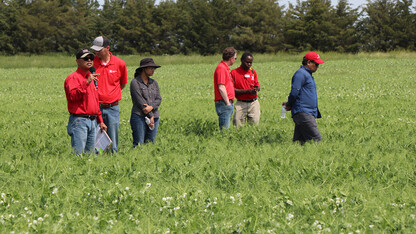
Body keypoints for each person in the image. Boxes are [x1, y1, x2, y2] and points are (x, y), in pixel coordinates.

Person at [65, 49, 107, 154]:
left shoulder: (92, 78)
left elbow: (95, 101)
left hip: (93, 121)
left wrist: (100, 120)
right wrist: (86, 82)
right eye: (85, 58)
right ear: (77, 61)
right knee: (78, 154)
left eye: (91, 58)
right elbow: (72, 97)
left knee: (90, 155)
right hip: (80, 121)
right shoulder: (73, 78)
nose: (89, 61)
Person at [90, 36, 128, 152]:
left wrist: (110, 94)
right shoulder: (91, 64)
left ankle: (113, 159)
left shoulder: (120, 64)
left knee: (112, 140)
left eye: (99, 50)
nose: (96, 52)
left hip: (112, 107)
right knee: (96, 139)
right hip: (95, 107)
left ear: (107, 48)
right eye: (95, 50)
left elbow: (122, 84)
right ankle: (97, 159)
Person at [284, 51, 324, 144]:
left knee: (300, 142)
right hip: (303, 112)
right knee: (316, 139)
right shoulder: (300, 74)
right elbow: (294, 92)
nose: (318, 66)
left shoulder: (307, 74)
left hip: (307, 112)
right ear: (308, 62)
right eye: (316, 64)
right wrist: (289, 105)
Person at [130, 58, 162, 147]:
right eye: (150, 68)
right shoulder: (135, 82)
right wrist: (150, 115)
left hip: (155, 118)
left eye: (153, 68)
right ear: (144, 69)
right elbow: (140, 101)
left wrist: (151, 108)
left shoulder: (154, 83)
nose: (153, 70)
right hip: (139, 116)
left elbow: (158, 99)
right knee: (139, 144)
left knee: (150, 144)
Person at [231, 52, 261, 128]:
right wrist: (247, 91)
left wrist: (257, 88)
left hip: (254, 103)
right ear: (241, 60)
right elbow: (232, 90)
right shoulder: (234, 73)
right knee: (237, 125)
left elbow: (257, 85)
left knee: (254, 127)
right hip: (240, 103)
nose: (249, 64)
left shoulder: (253, 72)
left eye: (251, 62)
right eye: (247, 62)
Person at [214, 47, 237, 130]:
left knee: (226, 128)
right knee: (224, 130)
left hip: (226, 103)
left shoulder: (225, 68)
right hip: (223, 103)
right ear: (231, 59)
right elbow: (221, 87)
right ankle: (223, 142)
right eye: (235, 58)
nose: (235, 60)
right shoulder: (221, 68)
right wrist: (227, 103)